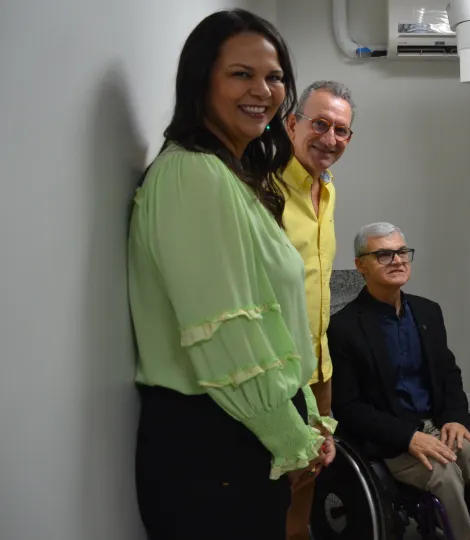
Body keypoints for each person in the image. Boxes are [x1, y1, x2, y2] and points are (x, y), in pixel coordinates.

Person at [128, 9, 335, 539]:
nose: (263, 91)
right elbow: (227, 335)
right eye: (241, 74)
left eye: (274, 76)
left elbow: (273, 322)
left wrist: (309, 419)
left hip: (243, 429)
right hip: (216, 439)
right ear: (201, 81)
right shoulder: (191, 174)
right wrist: (291, 439)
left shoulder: (230, 174)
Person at [328, 223, 470, 540]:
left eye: (402, 252)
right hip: (390, 438)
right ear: (360, 265)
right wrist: (408, 437)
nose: (397, 260)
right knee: (445, 475)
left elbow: (448, 373)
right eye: (384, 254)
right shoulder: (343, 328)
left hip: (438, 424)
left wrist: (455, 417)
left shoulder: (427, 312)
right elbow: (348, 406)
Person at [277, 80, 355, 539]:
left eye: (341, 130)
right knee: (276, 483)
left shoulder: (327, 189)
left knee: (309, 477)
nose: (330, 138)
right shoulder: (264, 187)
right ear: (292, 124)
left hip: (318, 367)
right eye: (320, 124)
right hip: (279, 369)